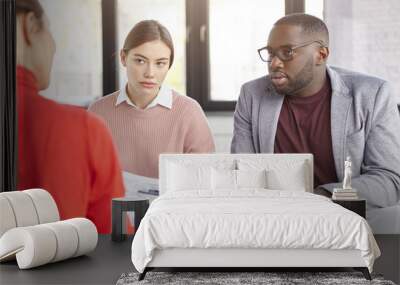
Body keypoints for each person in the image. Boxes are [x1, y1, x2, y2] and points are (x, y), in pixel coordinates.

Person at [231, 13, 400, 208]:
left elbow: (390, 180)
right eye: (270, 53)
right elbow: (241, 174)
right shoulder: (252, 95)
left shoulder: (372, 95)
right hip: (273, 217)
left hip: (346, 221)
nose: (274, 63)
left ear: (321, 54)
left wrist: (321, 197)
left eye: (287, 52)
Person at [16, 0, 125, 233]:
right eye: (50, 32)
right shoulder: (85, 130)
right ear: (30, 26)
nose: (54, 47)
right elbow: (112, 245)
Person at [89, 20, 215, 179]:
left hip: (172, 204)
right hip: (113, 204)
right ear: (123, 57)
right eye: (140, 61)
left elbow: (204, 179)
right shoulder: (98, 112)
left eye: (160, 63)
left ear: (168, 64)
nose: (150, 73)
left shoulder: (189, 112)